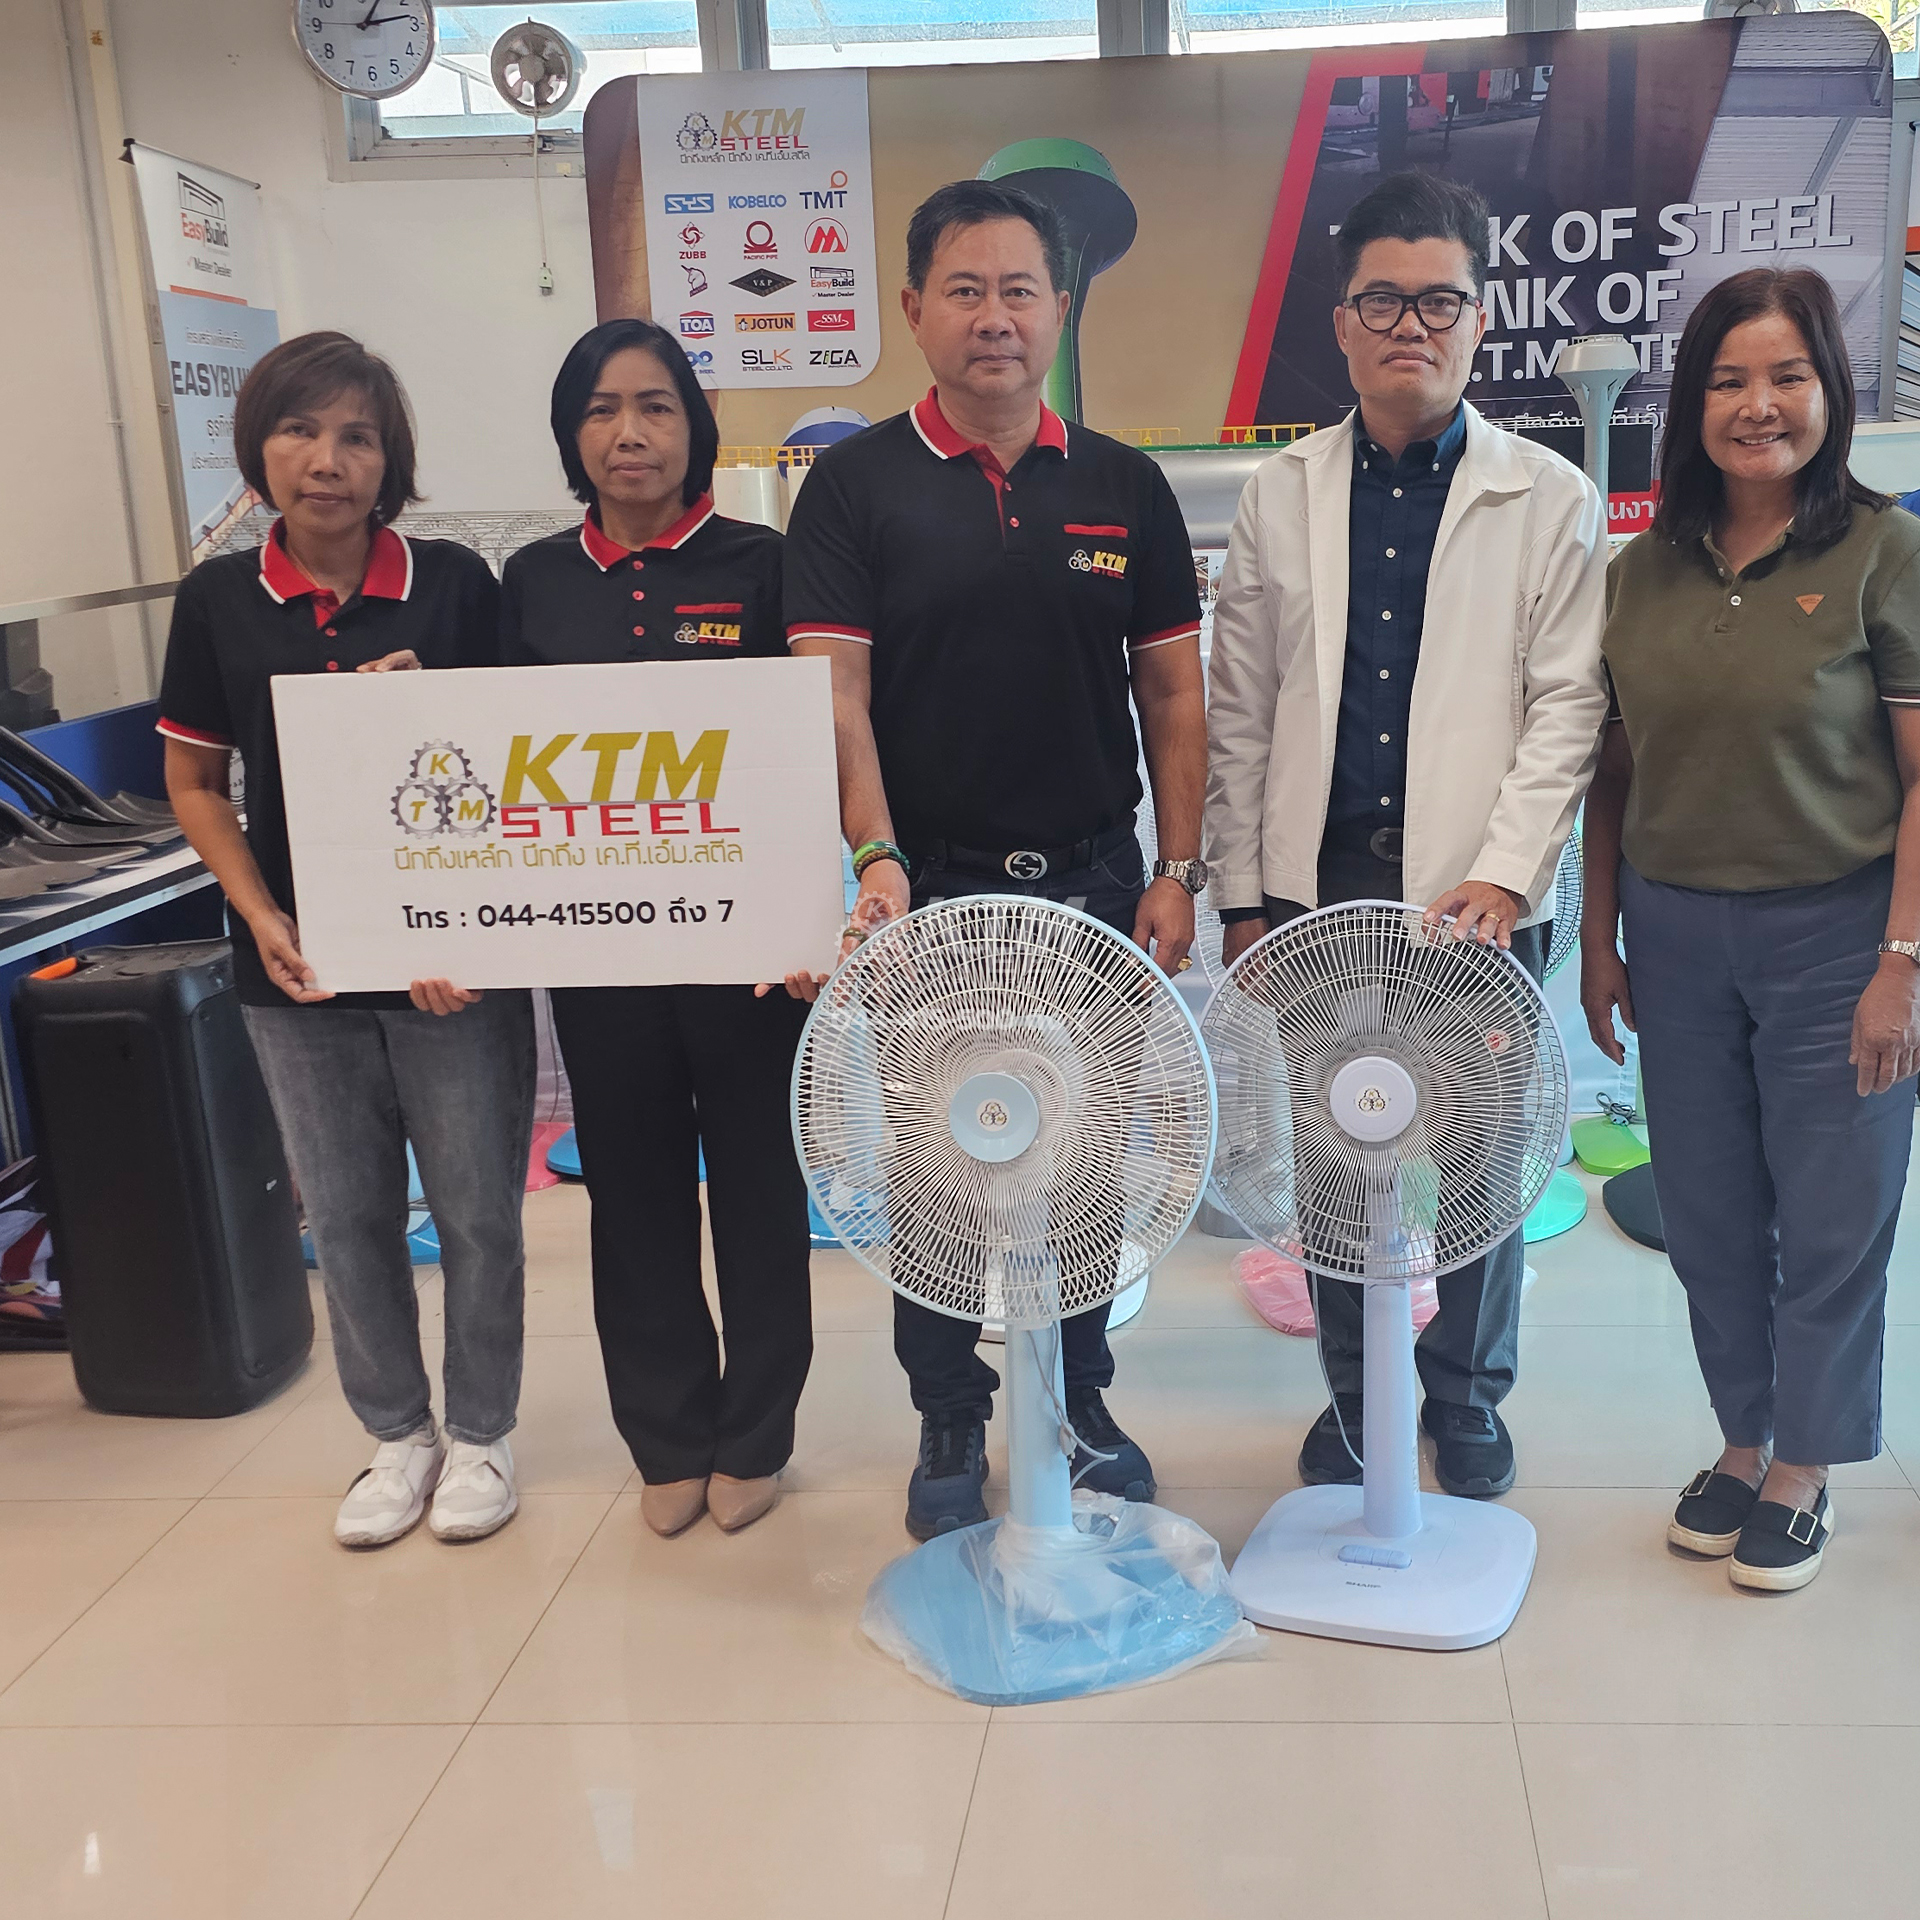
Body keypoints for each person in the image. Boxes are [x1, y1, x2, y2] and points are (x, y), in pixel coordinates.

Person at [783, 179, 1207, 1542]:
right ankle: (951, 1413)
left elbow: (1174, 695)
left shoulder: (1125, 485)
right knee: (938, 1169)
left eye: (1019, 290)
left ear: (1059, 309)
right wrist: (875, 854)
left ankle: (1079, 1402)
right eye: (964, 291)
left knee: (1078, 1163)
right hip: (933, 893)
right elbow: (836, 696)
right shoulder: (853, 489)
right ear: (915, 310)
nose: (994, 317)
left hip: (1095, 884)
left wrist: (1178, 866)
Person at [1205, 171, 1608, 1500]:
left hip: (1473, 902)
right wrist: (1244, 898)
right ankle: (1357, 1394)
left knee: (1479, 1161)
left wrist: (1505, 873)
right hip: (1317, 893)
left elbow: (1567, 706)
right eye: (1383, 301)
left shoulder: (1546, 496)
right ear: (1342, 323)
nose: (1411, 326)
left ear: (1480, 320)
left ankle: (1467, 1397)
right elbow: (1239, 704)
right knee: (1335, 1157)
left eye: (1440, 301)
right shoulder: (1279, 493)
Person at [158, 331, 533, 1549]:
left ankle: (481, 1432)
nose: (328, 460)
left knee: (478, 1211)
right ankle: (397, 1434)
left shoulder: (454, 586)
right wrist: (261, 916)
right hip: (300, 969)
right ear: (258, 447)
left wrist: (431, 707)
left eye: (357, 437)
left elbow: (515, 769)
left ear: (390, 459)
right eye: (300, 431)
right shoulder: (219, 601)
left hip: (451, 965)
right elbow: (195, 783)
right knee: (350, 1213)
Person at [1582, 267, 1920, 1593]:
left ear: (1829, 390)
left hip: (1838, 935)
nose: (1758, 405)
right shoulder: (1642, 570)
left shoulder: (1883, 552)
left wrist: (1902, 962)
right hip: (1675, 936)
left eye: (1787, 376)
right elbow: (1612, 771)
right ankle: (1742, 1439)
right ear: (1692, 406)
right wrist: (1599, 938)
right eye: (1728, 380)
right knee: (1712, 1214)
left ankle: (1806, 1465)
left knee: (1834, 1216)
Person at [501, 319, 809, 1539]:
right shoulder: (532, 581)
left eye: (655, 406)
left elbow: (817, 745)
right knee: (629, 1195)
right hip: (603, 952)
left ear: (695, 425)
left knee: (760, 1188)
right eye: (600, 410)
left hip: (751, 953)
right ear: (569, 435)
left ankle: (758, 1435)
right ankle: (668, 1437)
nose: (628, 433)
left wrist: (814, 909)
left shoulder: (763, 565)